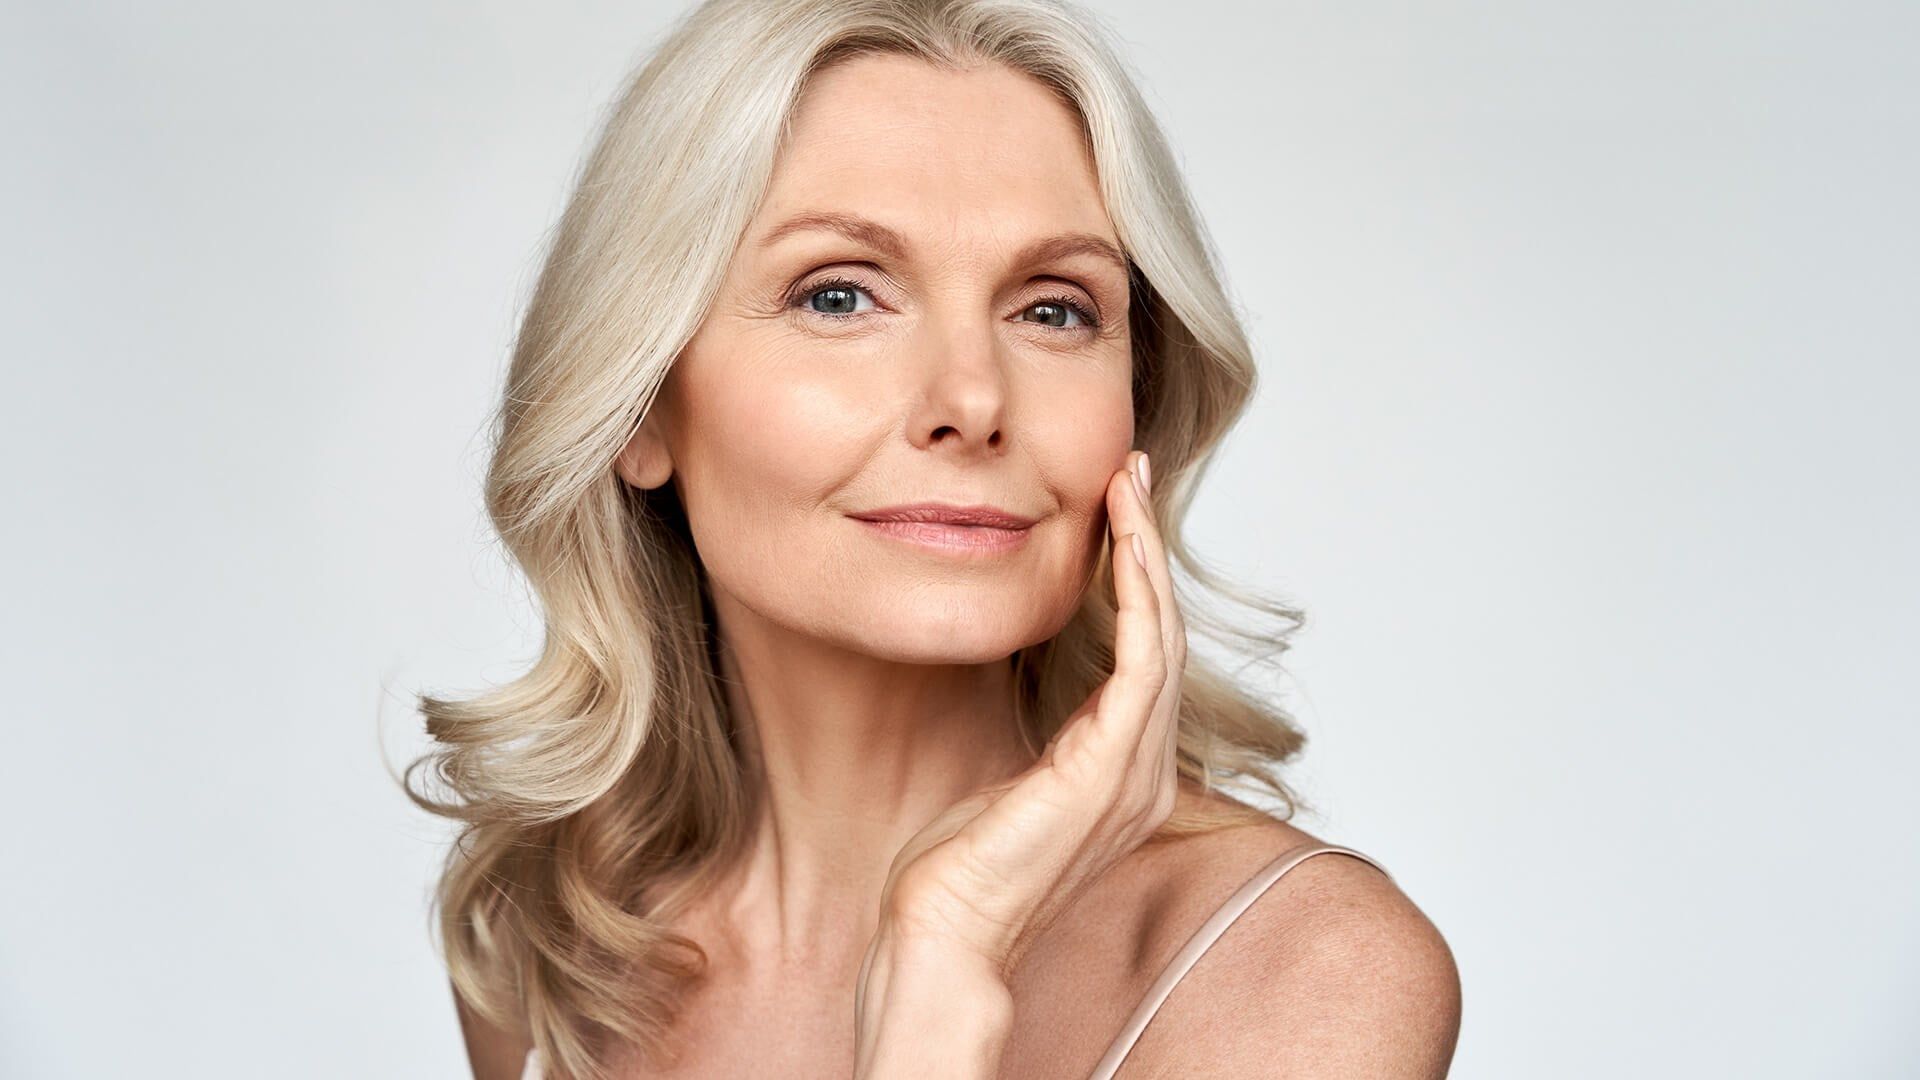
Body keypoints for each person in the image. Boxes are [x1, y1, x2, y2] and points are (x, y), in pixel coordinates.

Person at [403, 1, 1462, 1076]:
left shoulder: (1303, 970)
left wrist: (947, 952)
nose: (971, 397)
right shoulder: (540, 932)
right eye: (840, 295)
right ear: (637, 407)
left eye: (1053, 310)